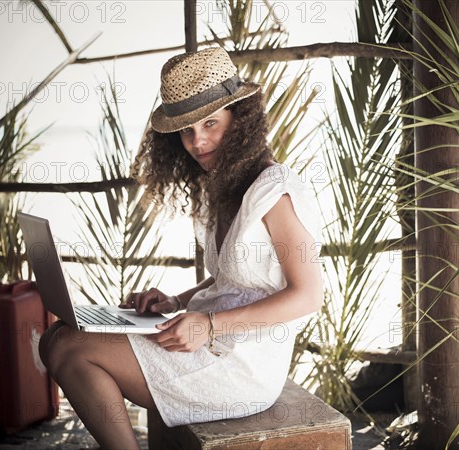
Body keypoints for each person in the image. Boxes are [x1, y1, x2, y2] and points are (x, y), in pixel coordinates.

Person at [38, 47, 323, 450]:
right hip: (208, 341)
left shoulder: (274, 192)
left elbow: (308, 296)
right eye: (186, 131)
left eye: (210, 123)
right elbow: (234, 275)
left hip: (243, 364)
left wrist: (208, 325)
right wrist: (175, 300)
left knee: (69, 347)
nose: (198, 141)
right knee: (55, 337)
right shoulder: (224, 186)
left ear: (240, 120)